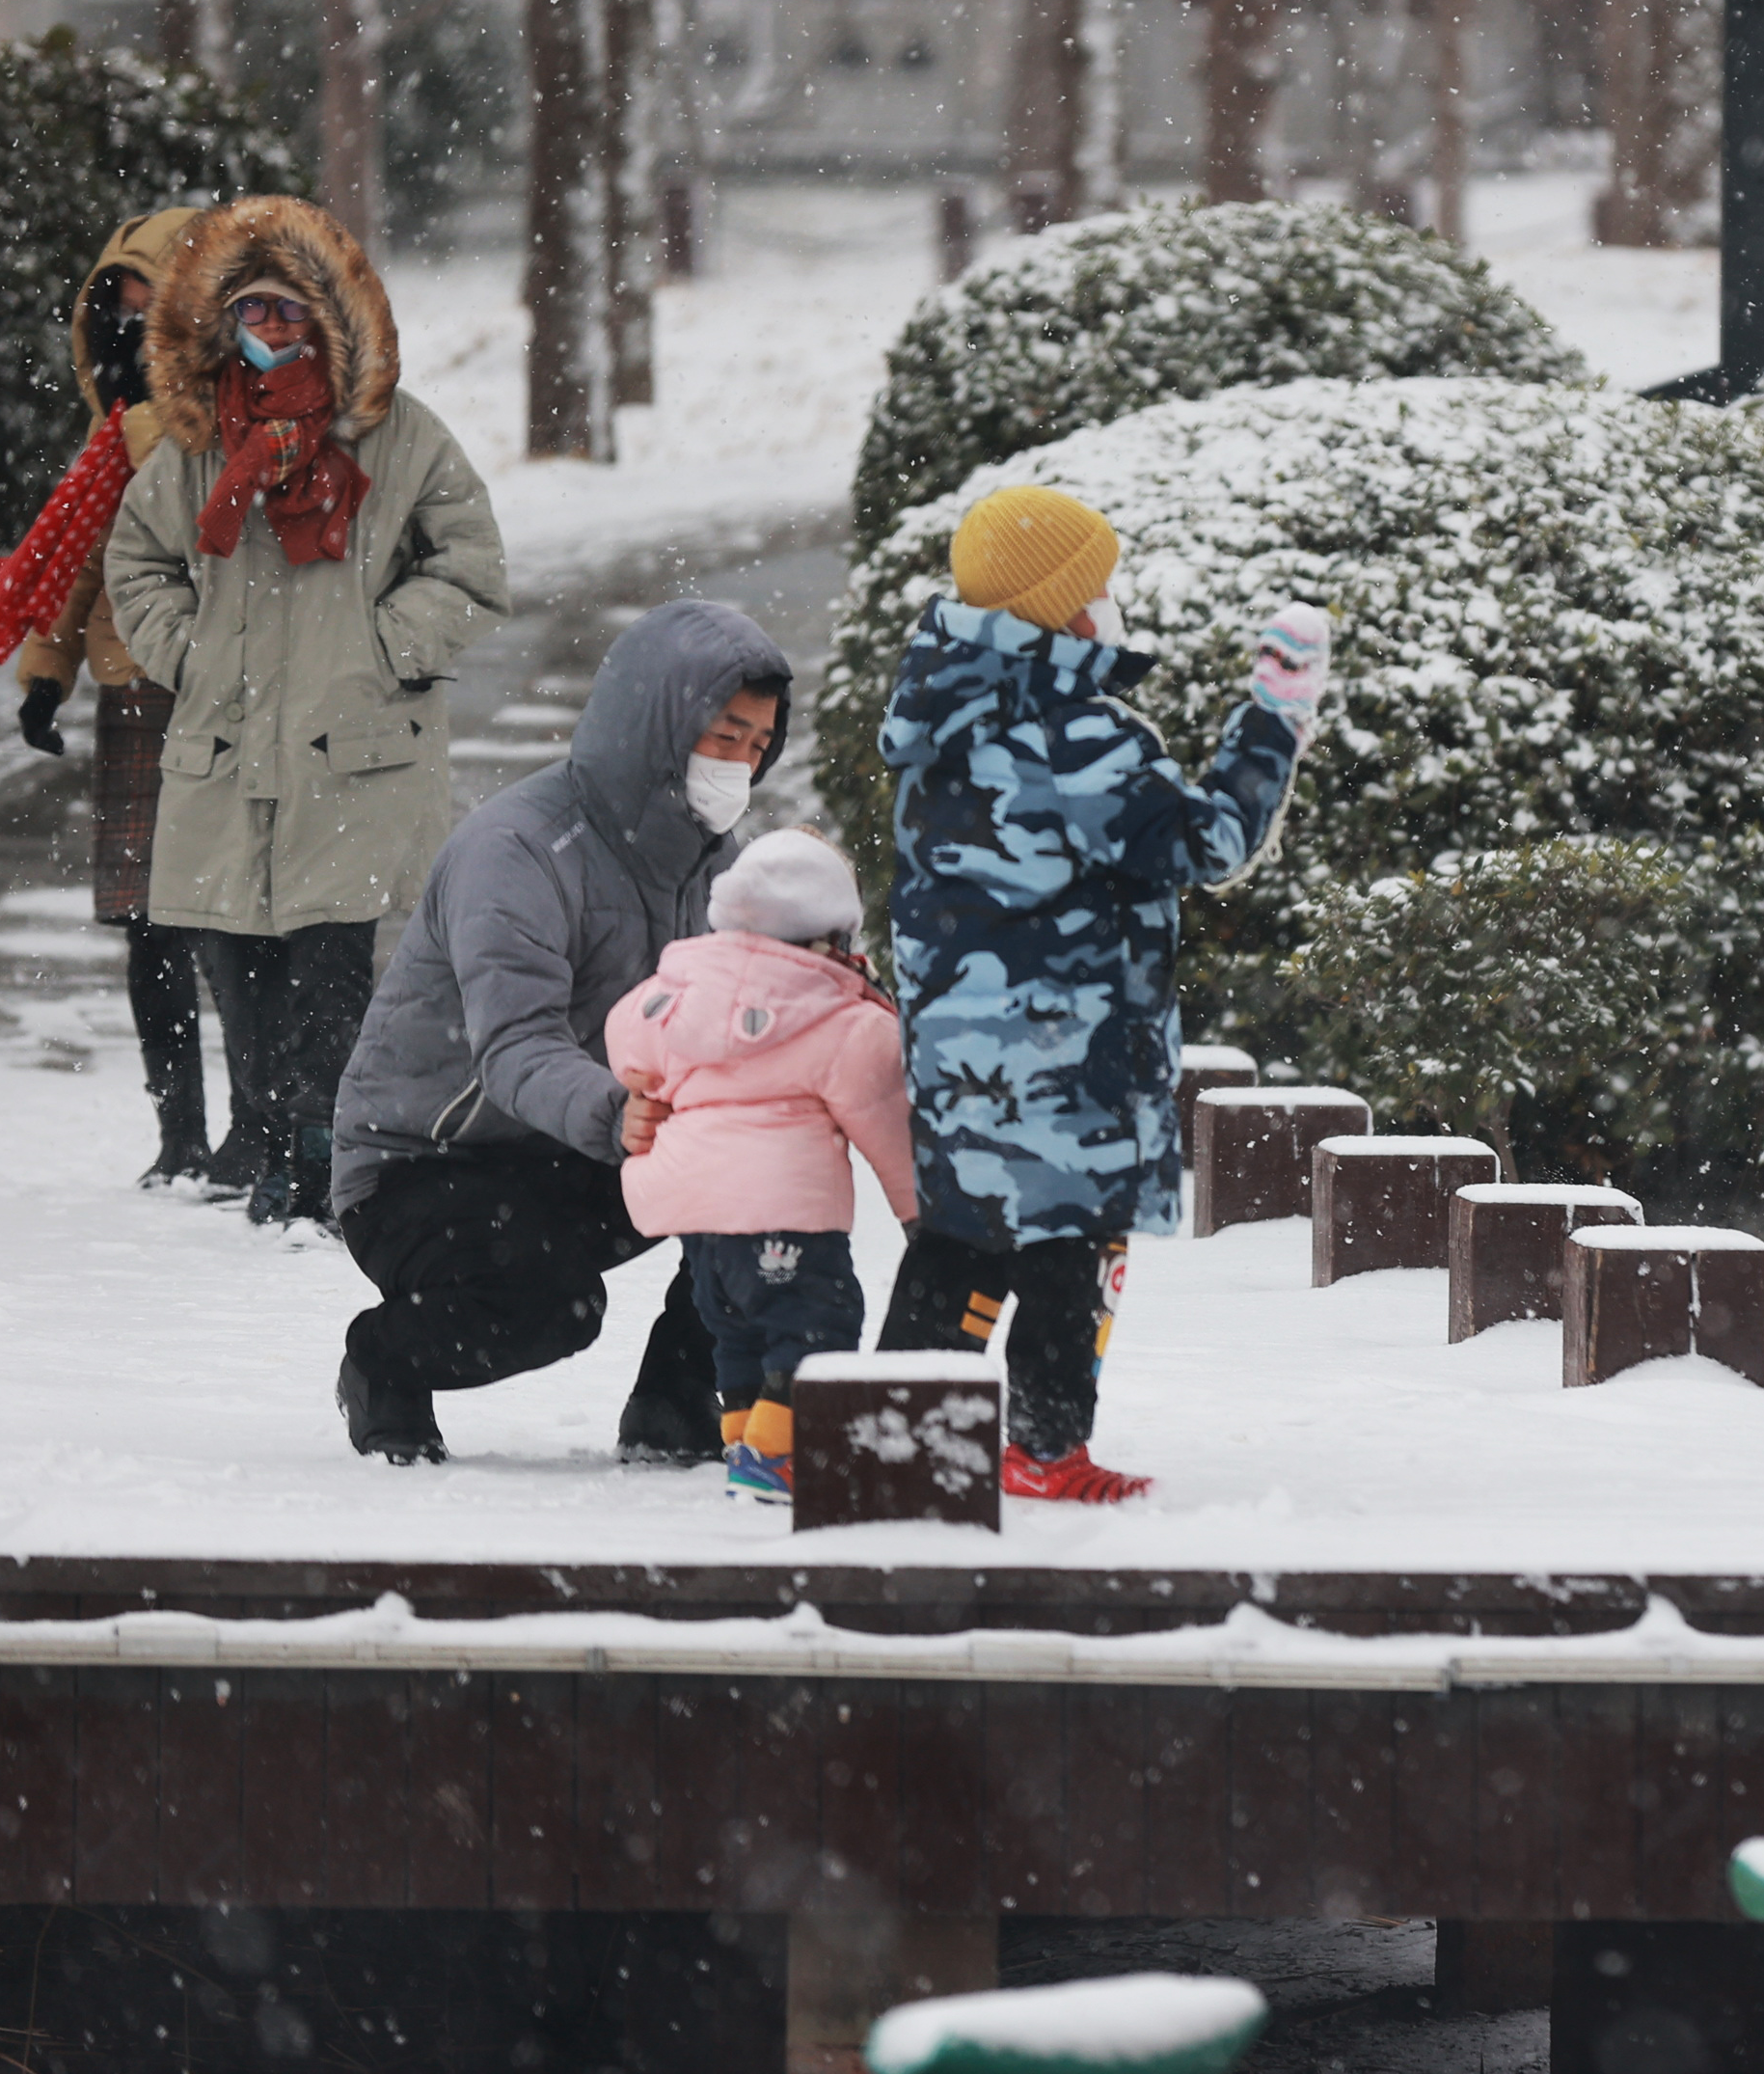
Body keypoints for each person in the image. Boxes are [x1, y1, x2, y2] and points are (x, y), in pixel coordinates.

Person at [874, 485, 1326, 1503]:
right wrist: (1273, 721)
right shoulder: (1075, 733)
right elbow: (1206, 842)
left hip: (957, 1041)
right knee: (1068, 1242)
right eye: (1100, 586)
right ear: (1063, 611)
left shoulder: (939, 718)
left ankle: (897, 1436)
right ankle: (1042, 1443)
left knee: (959, 1235)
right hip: (1064, 1045)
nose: (1112, 600)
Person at [104, 196, 508, 1230]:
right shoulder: (193, 443)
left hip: (354, 758)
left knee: (332, 979)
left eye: (289, 314)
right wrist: (186, 652)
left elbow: (470, 565)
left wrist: (385, 648)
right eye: (253, 313)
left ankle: (324, 1157)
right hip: (229, 757)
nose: (271, 333)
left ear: (329, 321)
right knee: (238, 972)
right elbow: (137, 561)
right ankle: (272, 1141)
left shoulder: (403, 440)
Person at [328, 599, 792, 1466]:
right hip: (424, 1165)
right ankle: (383, 1360)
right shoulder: (520, 849)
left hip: (582, 1149)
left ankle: (677, 1409)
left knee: (768, 1180)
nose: (741, 764)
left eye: (759, 747)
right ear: (659, 723)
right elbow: (513, 1044)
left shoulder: (719, 863)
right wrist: (615, 1110)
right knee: (555, 1308)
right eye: (725, 737)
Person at [0, 206, 250, 1192]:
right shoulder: (109, 430)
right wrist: (48, 673)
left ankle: (258, 1125)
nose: (124, 320)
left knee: (233, 919)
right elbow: (79, 558)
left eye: (145, 300)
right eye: (111, 301)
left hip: (221, 687)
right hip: (133, 692)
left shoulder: (233, 414)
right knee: (148, 924)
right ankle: (181, 1133)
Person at [605, 828, 919, 1509]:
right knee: (816, 1322)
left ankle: (747, 1445)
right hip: (785, 1212)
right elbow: (888, 1126)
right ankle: (779, 1459)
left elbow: (626, 1041)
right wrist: (921, 1213)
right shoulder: (843, 1021)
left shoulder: (672, 993)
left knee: (739, 1334)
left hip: (698, 1219)